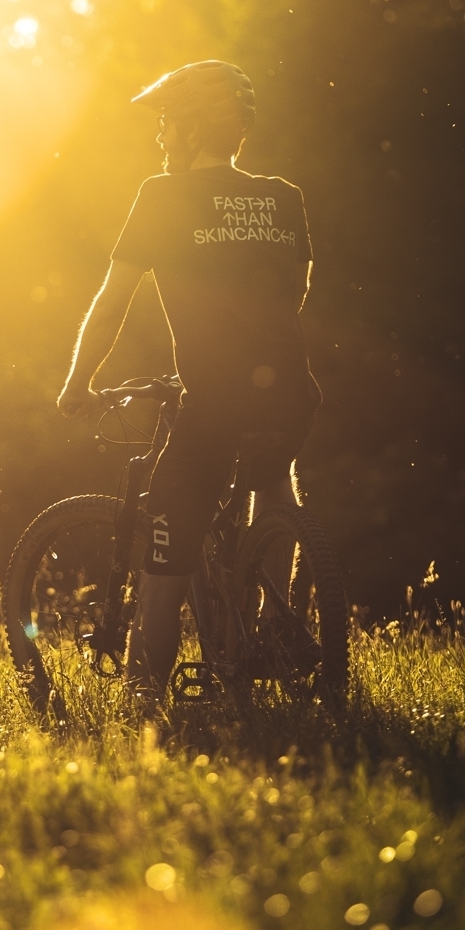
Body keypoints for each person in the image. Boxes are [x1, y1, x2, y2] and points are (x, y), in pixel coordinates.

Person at [54, 60, 321, 701]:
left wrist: (77, 384)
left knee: (163, 568)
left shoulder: (162, 196)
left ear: (195, 124)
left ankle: (140, 706)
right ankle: (272, 629)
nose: (162, 137)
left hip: (214, 401)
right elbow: (296, 296)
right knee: (274, 481)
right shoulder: (283, 197)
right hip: (292, 392)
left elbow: (112, 301)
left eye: (169, 122)